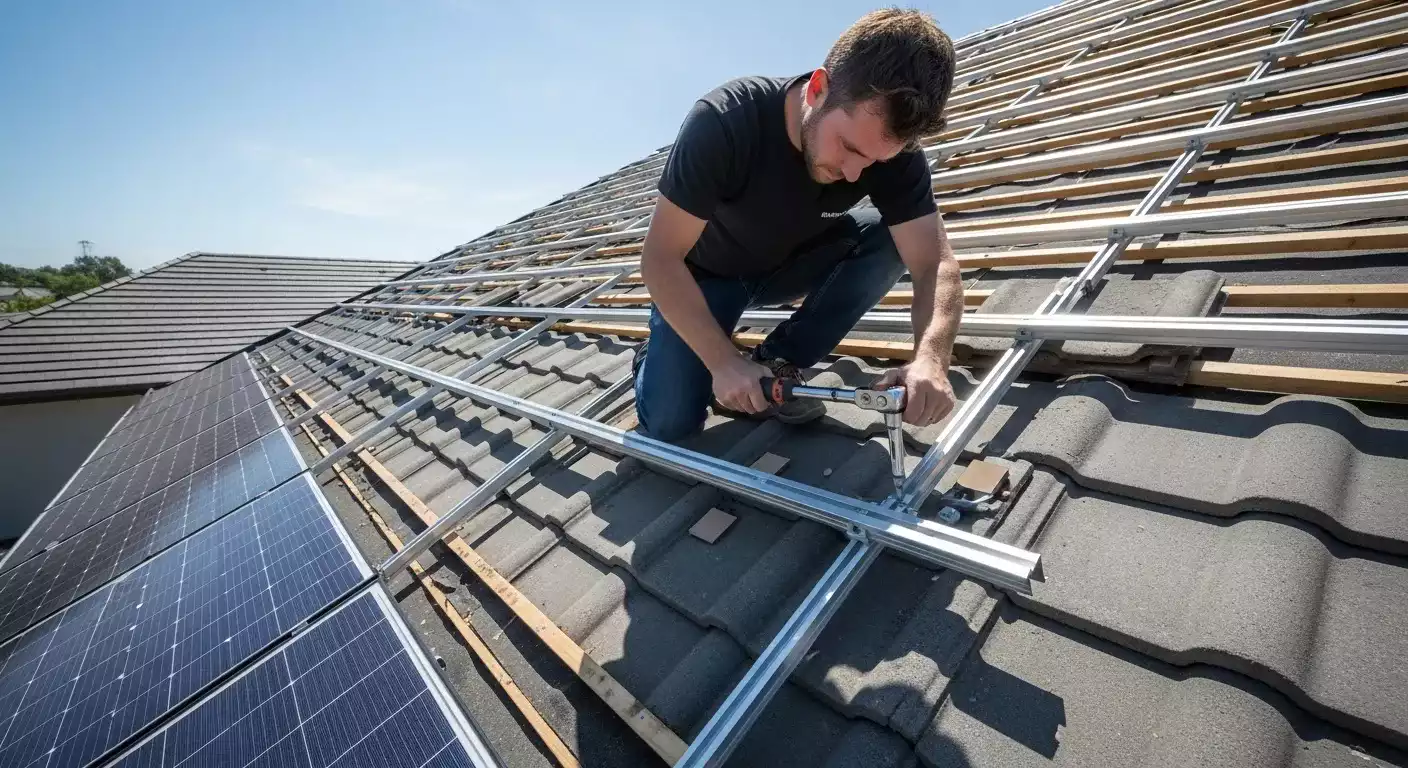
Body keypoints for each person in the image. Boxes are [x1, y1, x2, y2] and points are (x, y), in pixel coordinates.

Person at [632, 8, 964, 442]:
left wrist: (931, 359)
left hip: (789, 265)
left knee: (892, 242)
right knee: (670, 426)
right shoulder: (725, 121)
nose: (853, 173)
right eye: (846, 147)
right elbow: (659, 259)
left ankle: (774, 362)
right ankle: (653, 356)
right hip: (705, 277)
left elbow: (934, 263)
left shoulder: (891, 153)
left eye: (873, 161)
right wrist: (724, 362)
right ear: (819, 88)